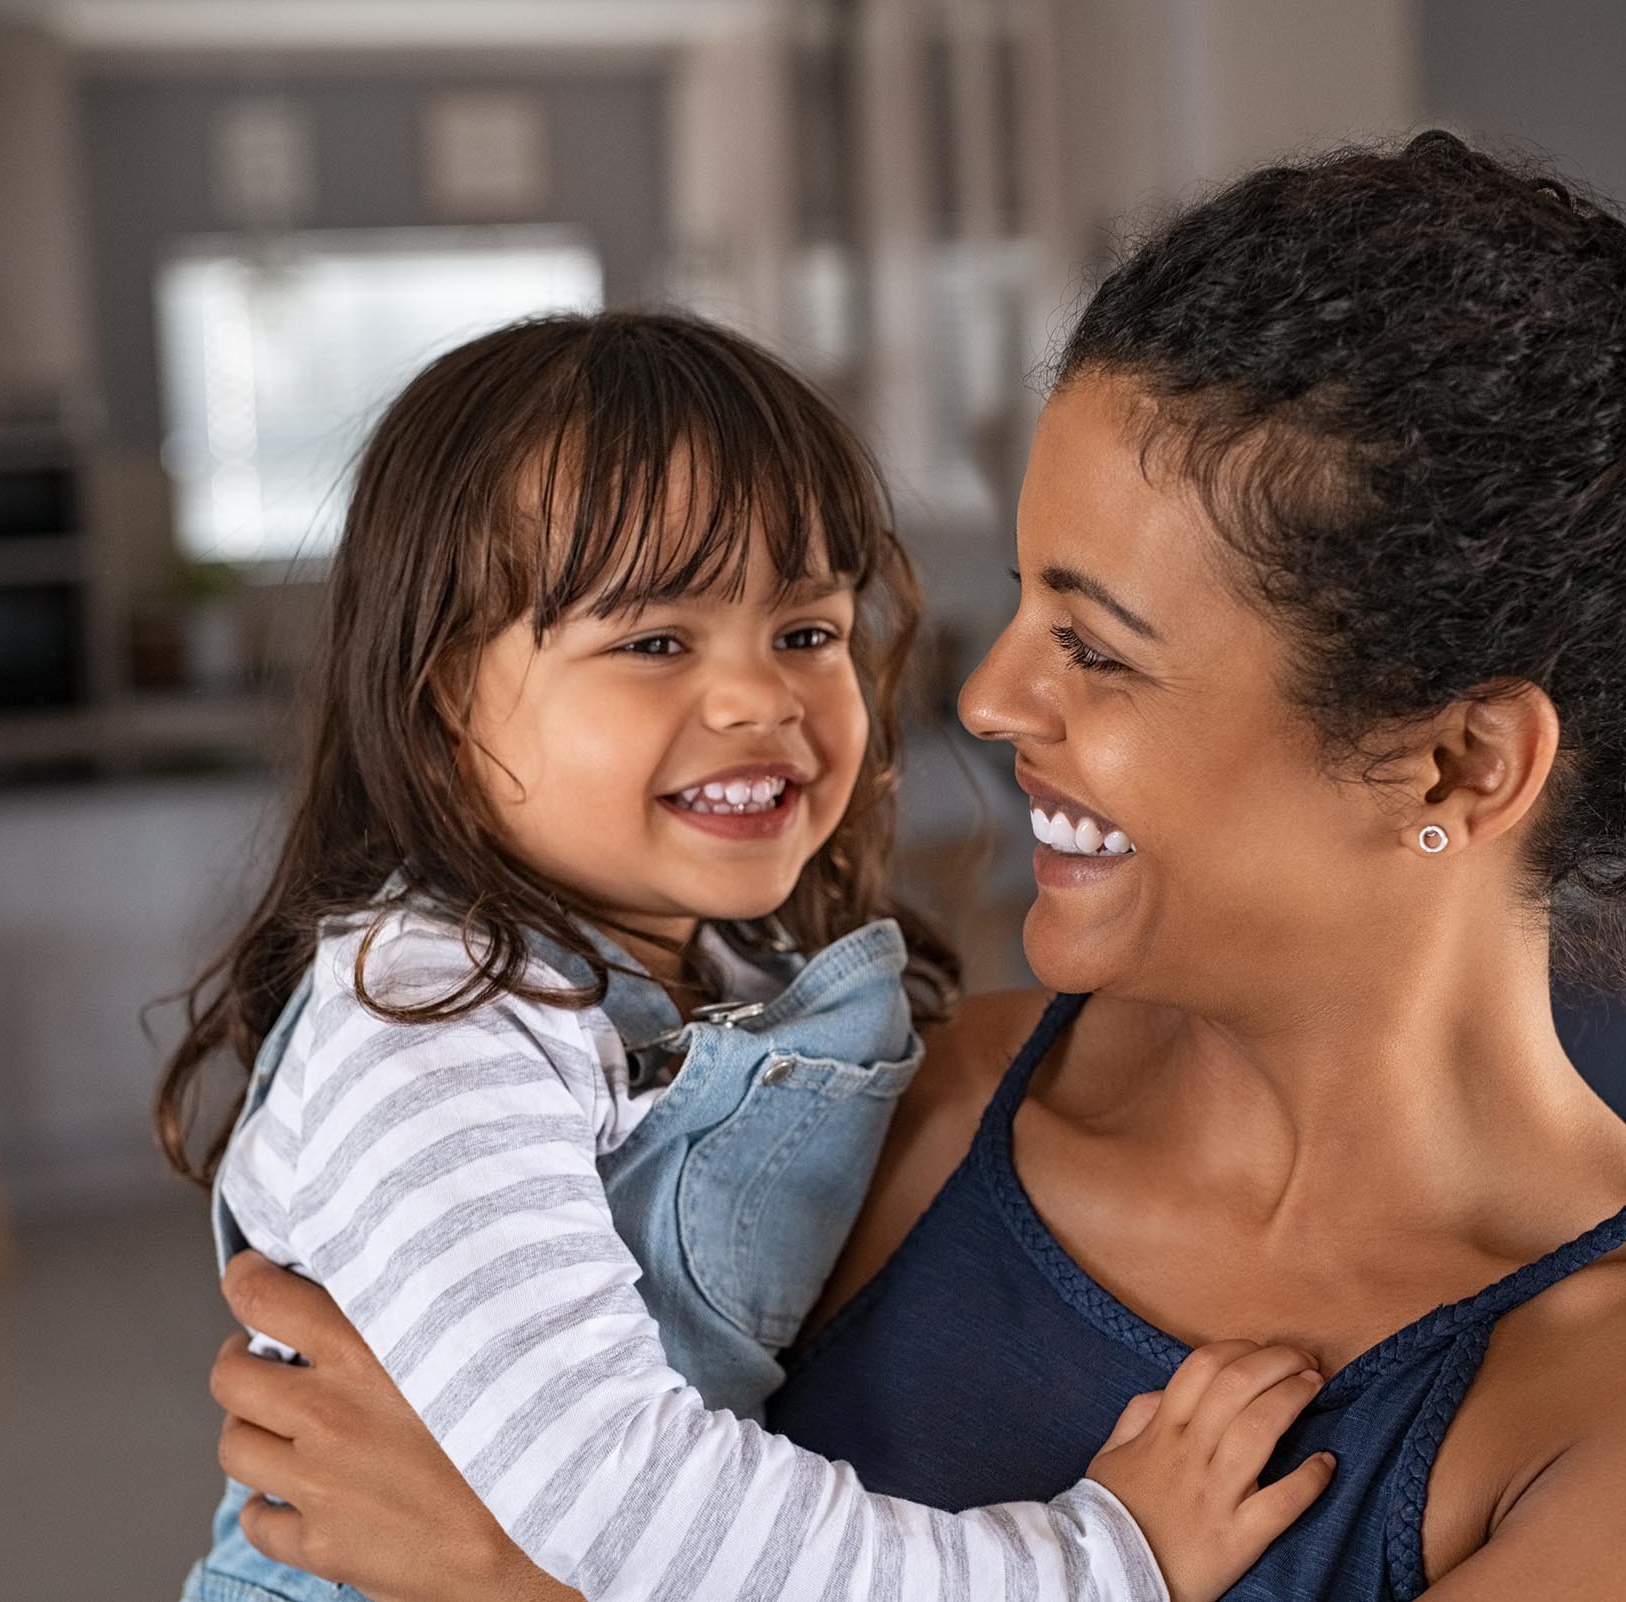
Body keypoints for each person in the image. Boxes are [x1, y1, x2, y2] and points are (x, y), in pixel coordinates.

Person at [202, 133, 1626, 1601]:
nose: (994, 698)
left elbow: (567, 1520)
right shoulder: (882, 1101)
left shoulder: (1588, 1428)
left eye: (1095, 645)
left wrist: (513, 1583)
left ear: (1458, 764)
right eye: (1022, 605)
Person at [158, 311, 1332, 1602]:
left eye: (807, 631)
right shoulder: (440, 1021)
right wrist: (1094, 1564)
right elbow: (620, 1488)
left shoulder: (739, 979)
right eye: (655, 641)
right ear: (445, 692)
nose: (761, 698)